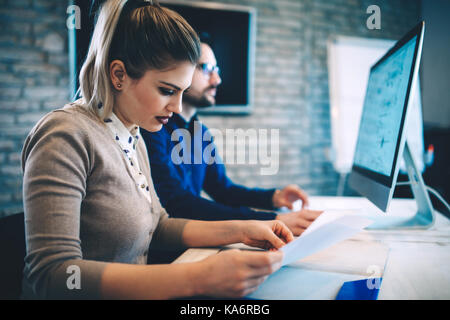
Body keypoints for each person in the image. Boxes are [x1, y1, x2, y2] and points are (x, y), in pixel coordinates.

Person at [21, 0, 293, 299]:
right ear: (119, 75)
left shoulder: (133, 133)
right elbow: (54, 275)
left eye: (181, 91)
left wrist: (242, 230)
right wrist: (196, 277)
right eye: (167, 90)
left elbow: (159, 226)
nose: (176, 107)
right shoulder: (65, 135)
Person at [141, 37, 322, 236]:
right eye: (207, 68)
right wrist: (272, 220)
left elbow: (222, 189)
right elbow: (177, 203)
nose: (217, 80)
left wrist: (272, 198)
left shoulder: (199, 132)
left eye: (216, 70)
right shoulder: (153, 128)